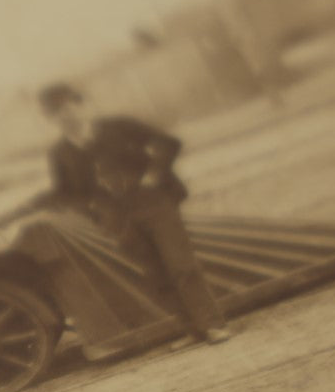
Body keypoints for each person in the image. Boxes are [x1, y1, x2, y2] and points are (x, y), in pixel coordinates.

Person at [37, 82, 232, 346]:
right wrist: (92, 207)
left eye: (70, 107)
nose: (66, 115)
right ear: (51, 118)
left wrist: (154, 173)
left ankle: (213, 325)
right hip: (118, 217)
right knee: (155, 274)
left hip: (154, 204)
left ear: (81, 105)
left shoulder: (119, 127)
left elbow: (168, 143)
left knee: (181, 265)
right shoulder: (60, 153)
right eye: (57, 112)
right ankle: (192, 330)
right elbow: (64, 192)